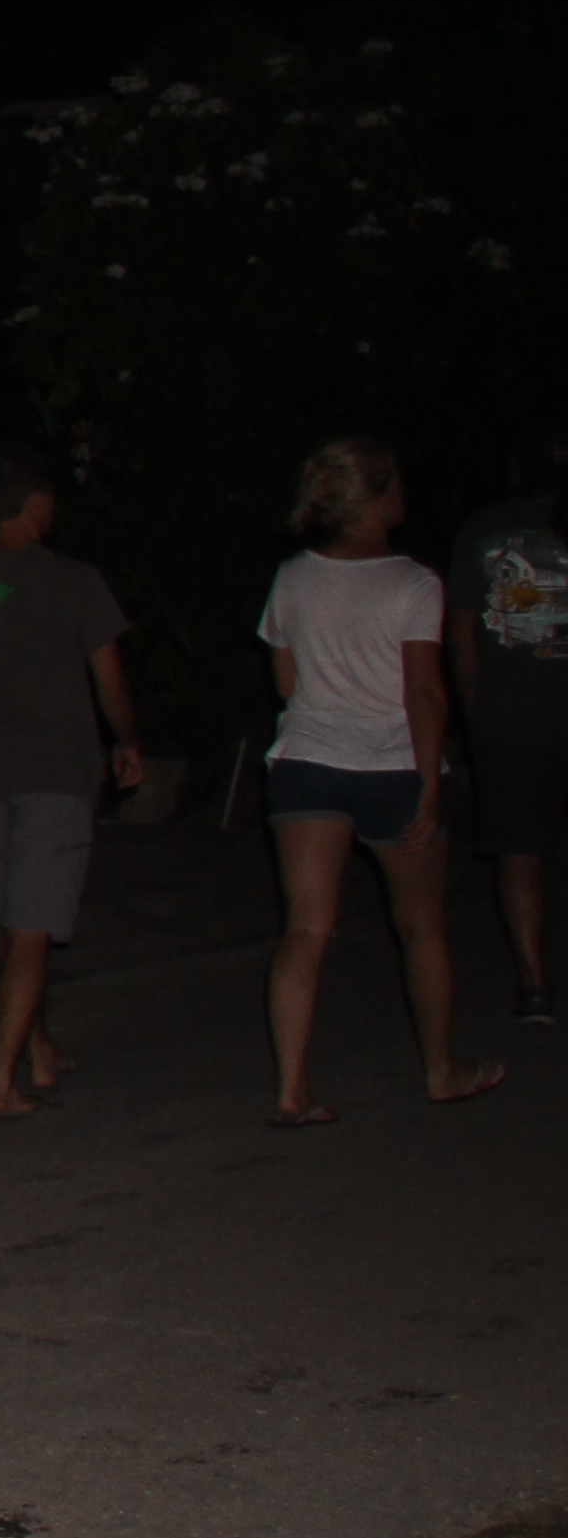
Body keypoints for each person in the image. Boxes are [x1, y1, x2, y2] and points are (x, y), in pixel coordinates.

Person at [261, 432, 501, 1122]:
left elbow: (286, 682)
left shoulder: (293, 577)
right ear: (377, 498)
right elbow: (423, 691)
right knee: (422, 926)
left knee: (306, 929)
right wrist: (431, 779)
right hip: (390, 766)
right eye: (396, 483)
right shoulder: (414, 583)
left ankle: (292, 1089)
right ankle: (441, 1071)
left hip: (307, 764)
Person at [0, 445, 144, 1116]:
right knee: (30, 924)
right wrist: (128, 740)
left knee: (15, 913)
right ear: (38, 503)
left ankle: (38, 1047)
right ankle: (0, 1082)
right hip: (53, 769)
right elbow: (110, 682)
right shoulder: (73, 580)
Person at [448, 419, 568, 1025]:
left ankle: (534, 984)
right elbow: (463, 625)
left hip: (509, 718)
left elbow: (461, 633)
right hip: (512, 717)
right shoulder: (484, 531)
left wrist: (476, 707)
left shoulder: (483, 528)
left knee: (520, 854)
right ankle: (535, 984)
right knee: (521, 852)